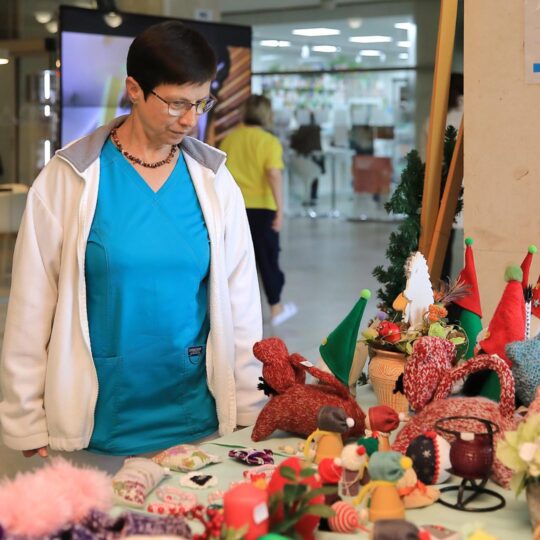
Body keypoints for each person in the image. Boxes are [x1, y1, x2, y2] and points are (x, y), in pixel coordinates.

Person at [0, 22, 265, 458]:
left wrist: (249, 406)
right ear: (134, 90)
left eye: (201, 102)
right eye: (177, 103)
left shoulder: (214, 182)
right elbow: (32, 303)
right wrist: (26, 416)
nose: (191, 119)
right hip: (98, 422)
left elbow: (240, 305)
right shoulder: (69, 179)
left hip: (194, 417)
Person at [219, 95, 297, 326]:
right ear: (267, 115)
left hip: (234, 208)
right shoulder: (268, 142)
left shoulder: (229, 140)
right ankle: (276, 308)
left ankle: (234, 312)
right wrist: (281, 210)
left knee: (234, 260)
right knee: (267, 259)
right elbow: (273, 174)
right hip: (262, 208)